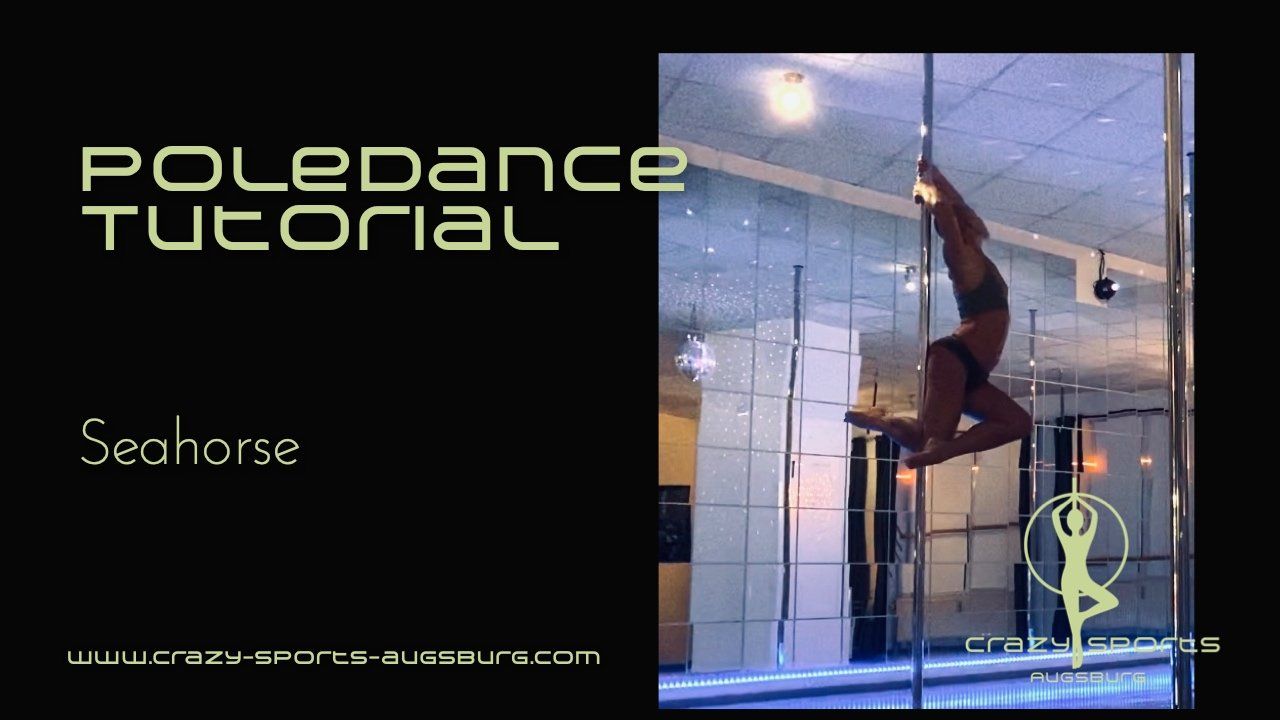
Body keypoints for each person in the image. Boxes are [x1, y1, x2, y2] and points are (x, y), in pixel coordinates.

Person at [846, 158, 1031, 468]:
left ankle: (905, 431)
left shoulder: (977, 251)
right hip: (955, 358)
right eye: (968, 221)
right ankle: (899, 430)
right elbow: (947, 217)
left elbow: (959, 208)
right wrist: (929, 193)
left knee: (1018, 422)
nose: (976, 222)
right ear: (963, 228)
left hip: (972, 371)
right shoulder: (961, 255)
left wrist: (935, 174)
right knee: (927, 441)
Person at [1052, 495, 1119, 668]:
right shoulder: (1082, 539)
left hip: (1076, 577)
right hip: (1073, 578)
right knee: (1076, 622)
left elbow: (1055, 515)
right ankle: (1077, 657)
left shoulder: (1069, 539)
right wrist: (1078, 500)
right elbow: (1094, 516)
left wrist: (1070, 500)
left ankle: (1082, 617)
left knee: (1108, 601)